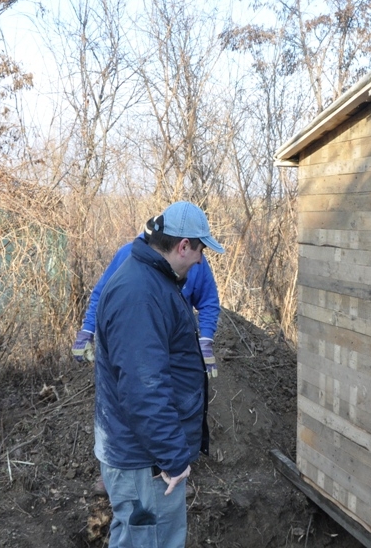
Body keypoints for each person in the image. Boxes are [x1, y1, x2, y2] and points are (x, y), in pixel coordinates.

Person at [93, 201, 225, 548]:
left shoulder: (151, 280)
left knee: (136, 538)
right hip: (146, 461)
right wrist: (173, 457)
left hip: (144, 454)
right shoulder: (141, 294)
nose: (200, 261)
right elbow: (143, 388)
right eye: (200, 251)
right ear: (184, 246)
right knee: (152, 540)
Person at [73, 228, 222, 377]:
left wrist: (205, 341)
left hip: (176, 348)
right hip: (129, 347)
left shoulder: (195, 262)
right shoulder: (127, 256)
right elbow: (103, 294)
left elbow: (209, 302)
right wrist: (87, 330)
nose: (200, 258)